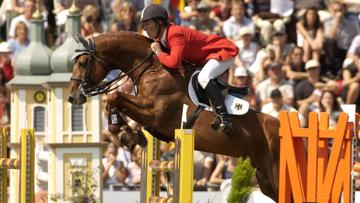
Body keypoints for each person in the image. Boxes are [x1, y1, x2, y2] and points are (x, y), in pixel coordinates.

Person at [141, 4, 239, 135]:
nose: (145, 28)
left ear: (159, 22)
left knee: (203, 77)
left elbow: (174, 62)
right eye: (144, 25)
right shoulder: (162, 37)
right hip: (206, 59)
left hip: (222, 51)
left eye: (148, 24)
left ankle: (225, 119)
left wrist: (159, 52)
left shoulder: (174, 34)